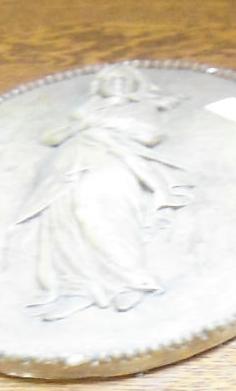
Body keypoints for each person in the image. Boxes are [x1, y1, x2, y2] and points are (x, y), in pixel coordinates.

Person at [15, 65, 193, 321]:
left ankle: (133, 282)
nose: (118, 81)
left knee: (97, 215)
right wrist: (79, 124)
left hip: (110, 163)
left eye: (124, 78)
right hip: (67, 170)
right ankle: (79, 289)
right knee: (65, 224)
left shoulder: (137, 108)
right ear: (98, 85)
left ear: (134, 84)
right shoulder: (86, 110)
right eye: (110, 78)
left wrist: (97, 122)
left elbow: (151, 135)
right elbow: (50, 137)